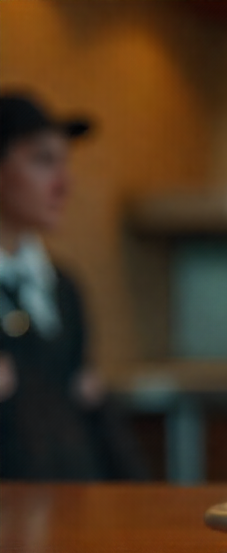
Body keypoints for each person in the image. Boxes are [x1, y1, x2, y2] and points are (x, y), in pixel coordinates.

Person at [0, 92, 145, 480]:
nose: (63, 183)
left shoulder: (62, 288)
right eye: (42, 160)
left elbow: (89, 403)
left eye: (64, 162)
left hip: (76, 505)